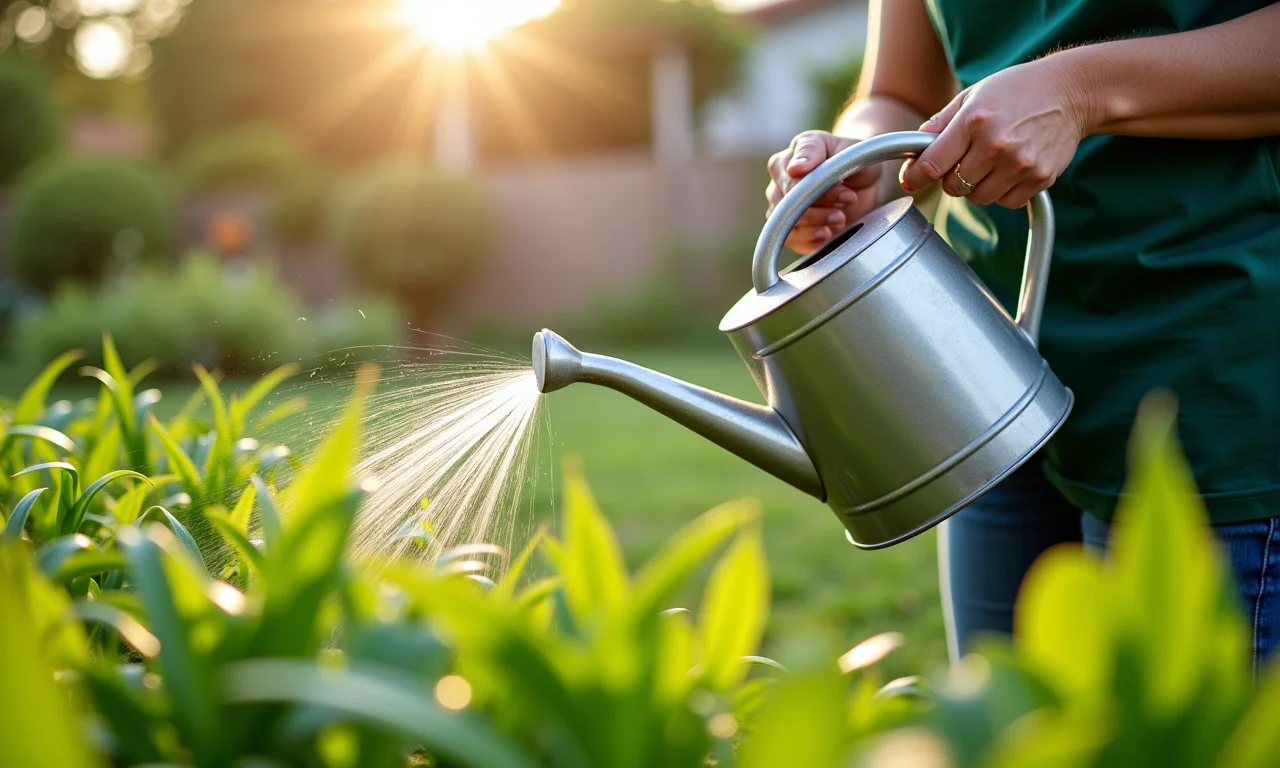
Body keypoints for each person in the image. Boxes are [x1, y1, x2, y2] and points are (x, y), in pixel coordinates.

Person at [766, 0, 1280, 671]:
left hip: (1213, 373)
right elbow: (897, 91)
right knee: (1008, 718)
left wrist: (1080, 90)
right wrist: (858, 162)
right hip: (981, 371)